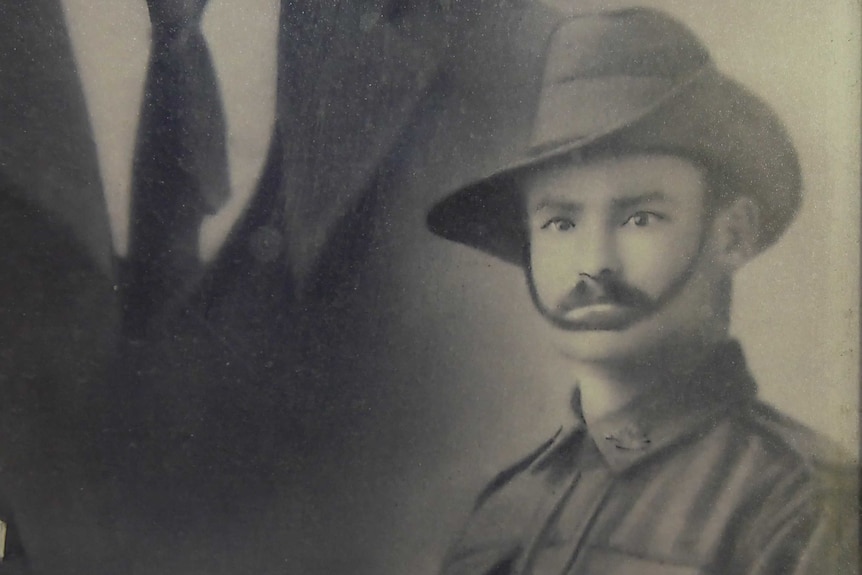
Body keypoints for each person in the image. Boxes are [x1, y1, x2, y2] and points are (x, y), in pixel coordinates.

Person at [426, 7, 857, 574]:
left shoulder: (802, 505)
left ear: (731, 235)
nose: (595, 265)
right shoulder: (505, 512)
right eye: (561, 223)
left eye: (640, 217)